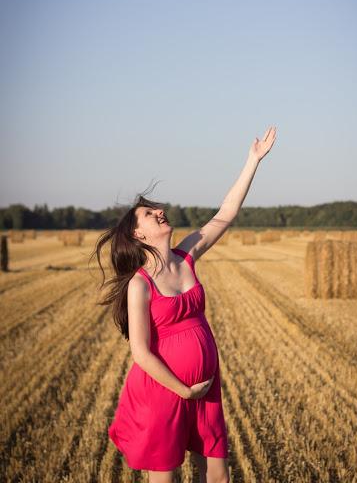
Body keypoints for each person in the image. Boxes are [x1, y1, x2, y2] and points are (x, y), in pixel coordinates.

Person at [92, 126, 277, 482]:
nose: (159, 211)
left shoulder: (187, 255)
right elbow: (141, 353)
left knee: (218, 475)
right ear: (137, 234)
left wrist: (252, 161)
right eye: (149, 214)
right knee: (166, 478)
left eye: (156, 209)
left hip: (205, 385)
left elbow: (225, 214)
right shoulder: (140, 285)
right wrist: (183, 389)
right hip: (164, 391)